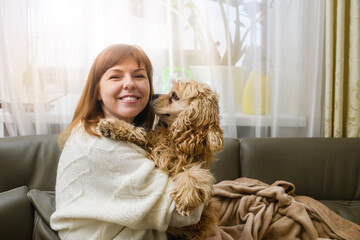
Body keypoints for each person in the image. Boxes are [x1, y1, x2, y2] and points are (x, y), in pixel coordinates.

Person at [50, 44, 204, 240]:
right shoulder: (99, 143)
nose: (129, 83)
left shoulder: (124, 133)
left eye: (139, 76)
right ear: (97, 91)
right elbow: (187, 212)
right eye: (115, 76)